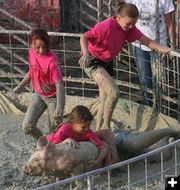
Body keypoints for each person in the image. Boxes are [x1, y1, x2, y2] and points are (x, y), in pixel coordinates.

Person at [79, 0, 172, 131]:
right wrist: (85, 53)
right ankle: (106, 127)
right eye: (128, 23)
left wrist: (163, 48)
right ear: (119, 18)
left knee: (104, 97)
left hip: (106, 61)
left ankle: (99, 129)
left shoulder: (129, 29)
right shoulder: (105, 26)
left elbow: (147, 41)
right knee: (113, 92)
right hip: (92, 60)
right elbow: (84, 37)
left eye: (134, 24)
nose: (130, 27)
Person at [13, 29, 65, 140]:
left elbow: (59, 85)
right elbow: (32, 71)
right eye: (38, 47)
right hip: (39, 95)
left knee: (54, 132)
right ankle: (44, 144)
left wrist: (59, 108)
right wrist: (21, 86)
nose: (41, 50)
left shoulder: (52, 61)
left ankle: (54, 149)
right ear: (31, 45)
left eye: (44, 47)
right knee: (27, 126)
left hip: (53, 98)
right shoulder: (31, 53)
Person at [125, 0, 175, 105]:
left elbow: (169, 22)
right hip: (139, 44)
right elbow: (122, 9)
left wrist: (173, 44)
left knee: (160, 81)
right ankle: (149, 107)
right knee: (145, 80)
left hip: (159, 46)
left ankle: (162, 109)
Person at [46, 105, 119, 169]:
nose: (87, 129)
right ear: (73, 122)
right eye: (83, 127)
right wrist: (66, 140)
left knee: (106, 143)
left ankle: (109, 169)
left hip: (79, 141)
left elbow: (103, 148)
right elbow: (54, 146)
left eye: (89, 126)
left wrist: (97, 162)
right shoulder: (64, 129)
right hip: (50, 141)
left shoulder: (87, 132)